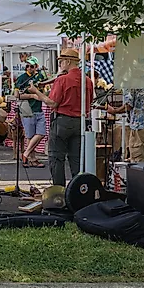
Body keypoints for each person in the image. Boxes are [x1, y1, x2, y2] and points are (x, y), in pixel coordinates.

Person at [27, 48, 94, 186]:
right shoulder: (87, 80)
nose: (60, 64)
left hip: (62, 121)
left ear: (68, 61)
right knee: (77, 159)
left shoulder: (63, 80)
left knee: (56, 158)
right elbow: (90, 101)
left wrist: (36, 92)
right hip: (80, 122)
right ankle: (77, 190)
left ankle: (59, 190)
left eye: (61, 61)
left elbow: (52, 103)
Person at [107, 88, 144, 163]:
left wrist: (114, 111)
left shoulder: (132, 85)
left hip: (140, 125)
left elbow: (128, 106)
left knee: (139, 160)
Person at [15, 56, 47, 167]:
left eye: (31, 66)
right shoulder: (22, 78)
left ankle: (26, 154)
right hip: (27, 109)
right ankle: (32, 159)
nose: (29, 68)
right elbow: (17, 95)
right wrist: (32, 95)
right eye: (27, 66)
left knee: (41, 133)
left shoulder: (40, 76)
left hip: (38, 109)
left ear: (36, 67)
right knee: (30, 135)